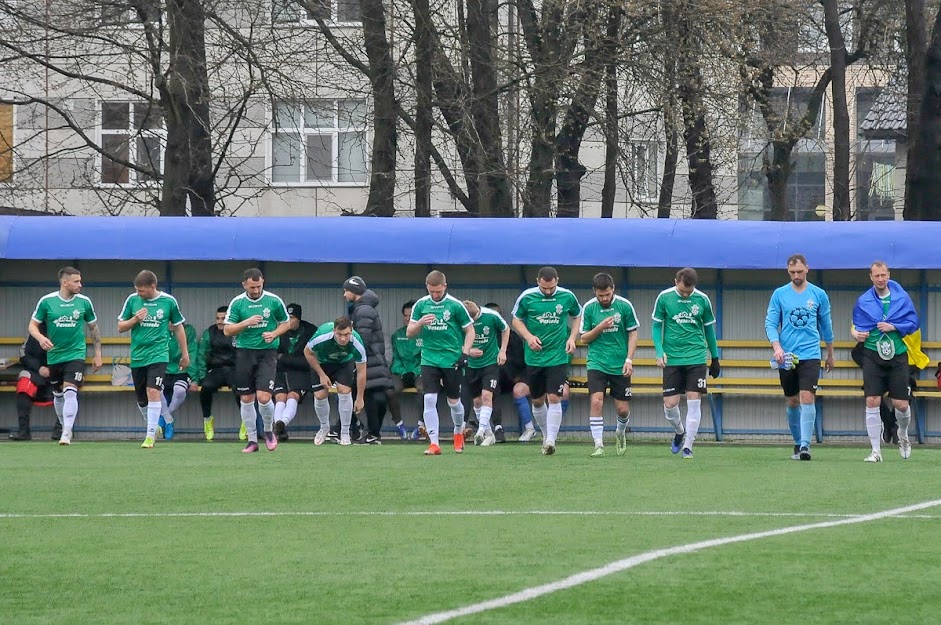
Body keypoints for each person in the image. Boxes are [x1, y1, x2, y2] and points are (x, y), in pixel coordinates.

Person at [764, 254, 834, 461]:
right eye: (793, 272)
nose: (796, 275)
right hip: (786, 357)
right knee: (792, 401)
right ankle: (797, 443)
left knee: (807, 397)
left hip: (811, 354)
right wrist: (776, 347)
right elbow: (770, 323)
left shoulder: (818, 294)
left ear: (807, 269)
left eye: (800, 271)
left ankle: (805, 445)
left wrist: (830, 353)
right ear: (788, 271)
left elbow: (826, 325)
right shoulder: (779, 294)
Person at [851, 261, 921, 462]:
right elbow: (856, 325)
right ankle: (875, 451)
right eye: (876, 276)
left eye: (883, 275)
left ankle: (904, 434)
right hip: (872, 354)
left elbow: (912, 323)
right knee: (872, 400)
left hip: (898, 355)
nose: (880, 279)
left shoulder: (901, 298)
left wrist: (893, 327)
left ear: (888, 275)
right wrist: (856, 334)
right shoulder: (864, 301)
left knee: (900, 404)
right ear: (871, 277)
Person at [511, 266, 582, 455]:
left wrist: (571, 338)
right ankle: (545, 436)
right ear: (538, 282)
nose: (548, 291)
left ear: (557, 280)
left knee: (554, 398)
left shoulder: (567, 296)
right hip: (534, 358)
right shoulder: (527, 297)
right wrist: (528, 337)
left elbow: (577, 316)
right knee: (537, 401)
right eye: (544, 288)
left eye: (551, 288)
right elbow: (516, 320)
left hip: (558, 356)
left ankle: (551, 439)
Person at [28, 266, 103, 445]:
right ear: (64, 282)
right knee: (58, 393)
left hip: (76, 353)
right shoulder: (47, 301)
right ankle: (64, 426)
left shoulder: (84, 302)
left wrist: (98, 353)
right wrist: (40, 338)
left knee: (71, 390)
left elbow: (93, 328)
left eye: (80, 281)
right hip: (54, 355)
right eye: (76, 281)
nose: (80, 285)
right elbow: (32, 325)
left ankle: (67, 432)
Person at [651, 267, 720, 459]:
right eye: (682, 291)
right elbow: (656, 327)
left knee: (694, 400)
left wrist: (715, 358)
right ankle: (680, 432)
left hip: (696, 357)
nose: (685, 294)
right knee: (670, 405)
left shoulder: (702, 300)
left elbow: (709, 331)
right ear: (676, 282)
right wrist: (659, 351)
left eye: (688, 292)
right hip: (672, 358)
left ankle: (688, 446)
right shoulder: (664, 298)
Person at [116, 270, 189, 449]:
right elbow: (120, 327)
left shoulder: (168, 302)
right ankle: (152, 424)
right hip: (138, 356)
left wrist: (185, 354)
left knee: (153, 391)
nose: (139, 294)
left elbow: (179, 328)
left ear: (153, 287)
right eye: (137, 290)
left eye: (142, 291)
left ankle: (149, 436)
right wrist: (135, 319)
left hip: (159, 354)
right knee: (142, 399)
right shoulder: (132, 300)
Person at [408, 270, 475, 455]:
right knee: (429, 398)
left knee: (454, 401)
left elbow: (470, 331)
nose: (435, 295)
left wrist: (465, 353)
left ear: (445, 286)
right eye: (432, 292)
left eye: (438, 291)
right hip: (429, 358)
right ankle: (434, 443)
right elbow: (409, 332)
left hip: (451, 359)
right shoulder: (421, 305)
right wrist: (420, 322)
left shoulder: (455, 305)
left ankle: (458, 432)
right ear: (427, 288)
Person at [224, 268, 290, 453]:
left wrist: (274, 333)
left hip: (267, 353)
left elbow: (286, 323)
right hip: (244, 353)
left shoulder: (273, 300)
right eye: (252, 287)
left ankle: (268, 431)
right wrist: (246, 322)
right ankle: (252, 440)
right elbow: (227, 330)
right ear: (244, 284)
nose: (256, 290)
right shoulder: (237, 303)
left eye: (259, 286)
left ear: (263, 282)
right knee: (246, 397)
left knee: (263, 397)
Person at [579, 272, 639, 458]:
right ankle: (598, 444)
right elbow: (583, 338)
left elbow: (633, 334)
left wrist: (629, 359)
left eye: (607, 294)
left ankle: (620, 432)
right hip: (597, 362)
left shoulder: (624, 306)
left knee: (622, 408)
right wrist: (599, 328)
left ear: (612, 289)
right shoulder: (589, 308)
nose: (604, 298)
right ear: (594, 292)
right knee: (596, 400)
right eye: (600, 295)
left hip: (619, 364)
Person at [343, 276, 394, 444]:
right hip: (374, 358)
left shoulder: (363, 309)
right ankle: (372, 433)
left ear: (355, 291)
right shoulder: (362, 307)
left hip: (369, 359)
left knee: (369, 397)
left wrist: (351, 359)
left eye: (346, 291)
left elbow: (361, 340)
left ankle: (367, 431)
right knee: (375, 397)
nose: (344, 294)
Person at [304, 318, 367, 446]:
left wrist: (360, 398)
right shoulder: (322, 335)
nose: (343, 339)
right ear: (334, 331)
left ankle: (344, 432)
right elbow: (307, 352)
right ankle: (324, 428)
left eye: (347, 335)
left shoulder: (357, 342)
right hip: (322, 363)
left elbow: (362, 371)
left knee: (344, 390)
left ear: (352, 331)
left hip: (343, 363)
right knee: (320, 395)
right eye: (339, 334)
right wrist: (321, 374)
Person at [462, 300, 509, 446]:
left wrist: (502, 351)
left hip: (490, 363)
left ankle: (480, 431)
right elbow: (453, 340)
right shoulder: (460, 318)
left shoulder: (491, 315)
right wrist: (468, 350)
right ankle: (489, 433)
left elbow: (506, 329)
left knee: (487, 396)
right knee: (477, 401)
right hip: (471, 365)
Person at [272, 303, 317, 442]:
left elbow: (310, 360)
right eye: (286, 317)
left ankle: (281, 423)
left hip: (301, 373)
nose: (288, 321)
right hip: (280, 372)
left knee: (293, 395)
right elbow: (273, 357)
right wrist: (289, 360)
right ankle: (279, 428)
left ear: (298, 318)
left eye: (291, 317)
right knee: (280, 396)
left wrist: (285, 358)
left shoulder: (310, 331)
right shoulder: (277, 330)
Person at [194, 306, 240, 441]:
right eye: (218, 318)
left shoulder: (237, 331)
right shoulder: (210, 332)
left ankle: (246, 422)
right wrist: (202, 376)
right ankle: (207, 419)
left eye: (223, 318)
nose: (220, 321)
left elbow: (245, 354)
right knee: (206, 388)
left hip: (234, 369)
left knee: (241, 389)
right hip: (216, 369)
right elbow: (202, 354)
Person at [7, 323, 54, 441]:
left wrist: (54, 369)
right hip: (36, 373)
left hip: (58, 371)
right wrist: (39, 368)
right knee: (23, 382)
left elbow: (73, 355)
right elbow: (23, 355)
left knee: (70, 384)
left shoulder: (67, 330)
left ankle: (60, 432)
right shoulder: (34, 332)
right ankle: (24, 432)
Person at [157, 321, 198, 440]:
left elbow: (193, 354)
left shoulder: (188, 331)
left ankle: (166, 417)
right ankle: (168, 420)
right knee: (156, 390)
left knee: (179, 390)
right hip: (163, 369)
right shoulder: (160, 329)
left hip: (182, 370)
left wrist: (194, 378)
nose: (170, 323)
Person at [389, 300, 425, 440]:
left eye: (411, 315)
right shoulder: (397, 335)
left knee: (424, 390)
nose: (408, 318)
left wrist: (415, 371)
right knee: (390, 390)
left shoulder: (425, 334)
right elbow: (395, 359)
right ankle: (400, 426)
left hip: (419, 371)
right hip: (401, 372)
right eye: (405, 315)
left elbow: (427, 358)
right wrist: (404, 372)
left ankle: (420, 426)